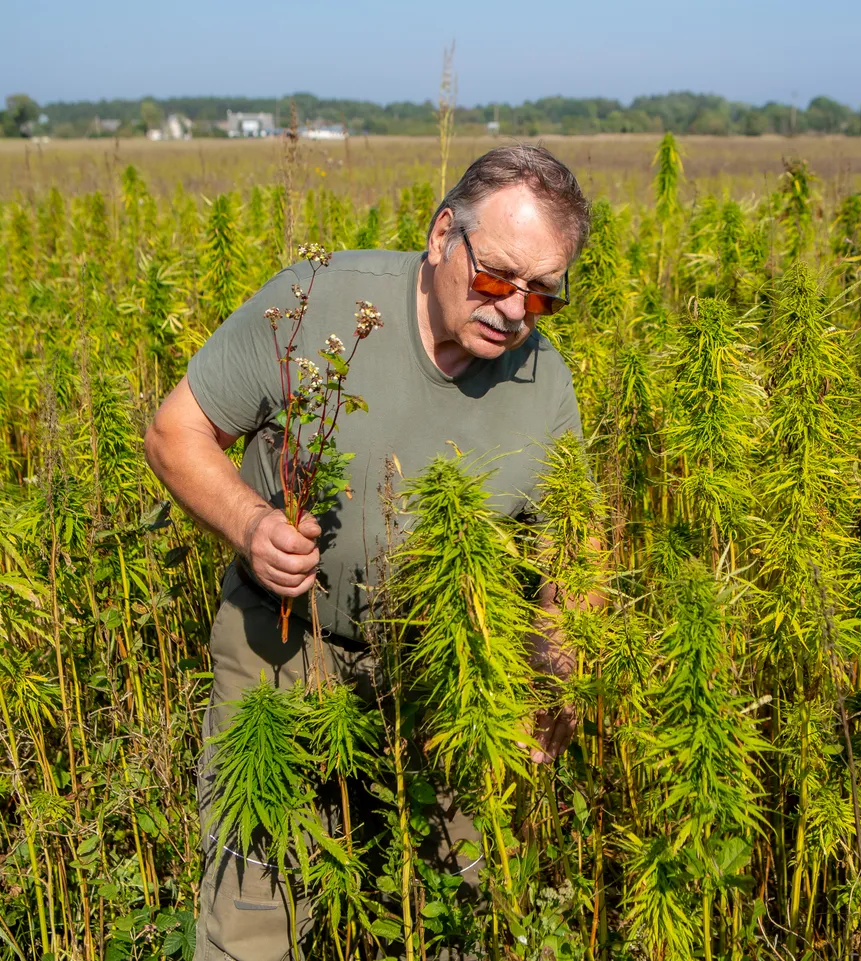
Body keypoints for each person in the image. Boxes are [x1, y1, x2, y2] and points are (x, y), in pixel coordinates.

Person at [144, 144, 591, 961]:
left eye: (542, 295)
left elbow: (573, 543)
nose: (514, 310)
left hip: (449, 667)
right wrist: (251, 526)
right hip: (285, 641)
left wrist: (555, 666)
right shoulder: (317, 306)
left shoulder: (546, 382)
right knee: (254, 907)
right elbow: (175, 431)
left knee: (453, 906)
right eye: (496, 277)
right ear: (441, 234)